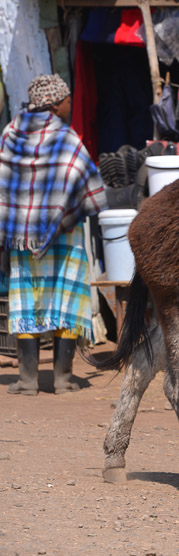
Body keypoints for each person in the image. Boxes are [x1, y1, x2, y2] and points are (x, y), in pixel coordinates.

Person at [0, 74, 107, 395]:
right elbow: (89, 185)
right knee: (67, 301)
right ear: (56, 103)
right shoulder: (65, 137)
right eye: (68, 100)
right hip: (65, 236)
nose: (71, 105)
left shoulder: (10, 133)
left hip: (23, 240)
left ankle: (28, 381)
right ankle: (62, 379)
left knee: (27, 303)